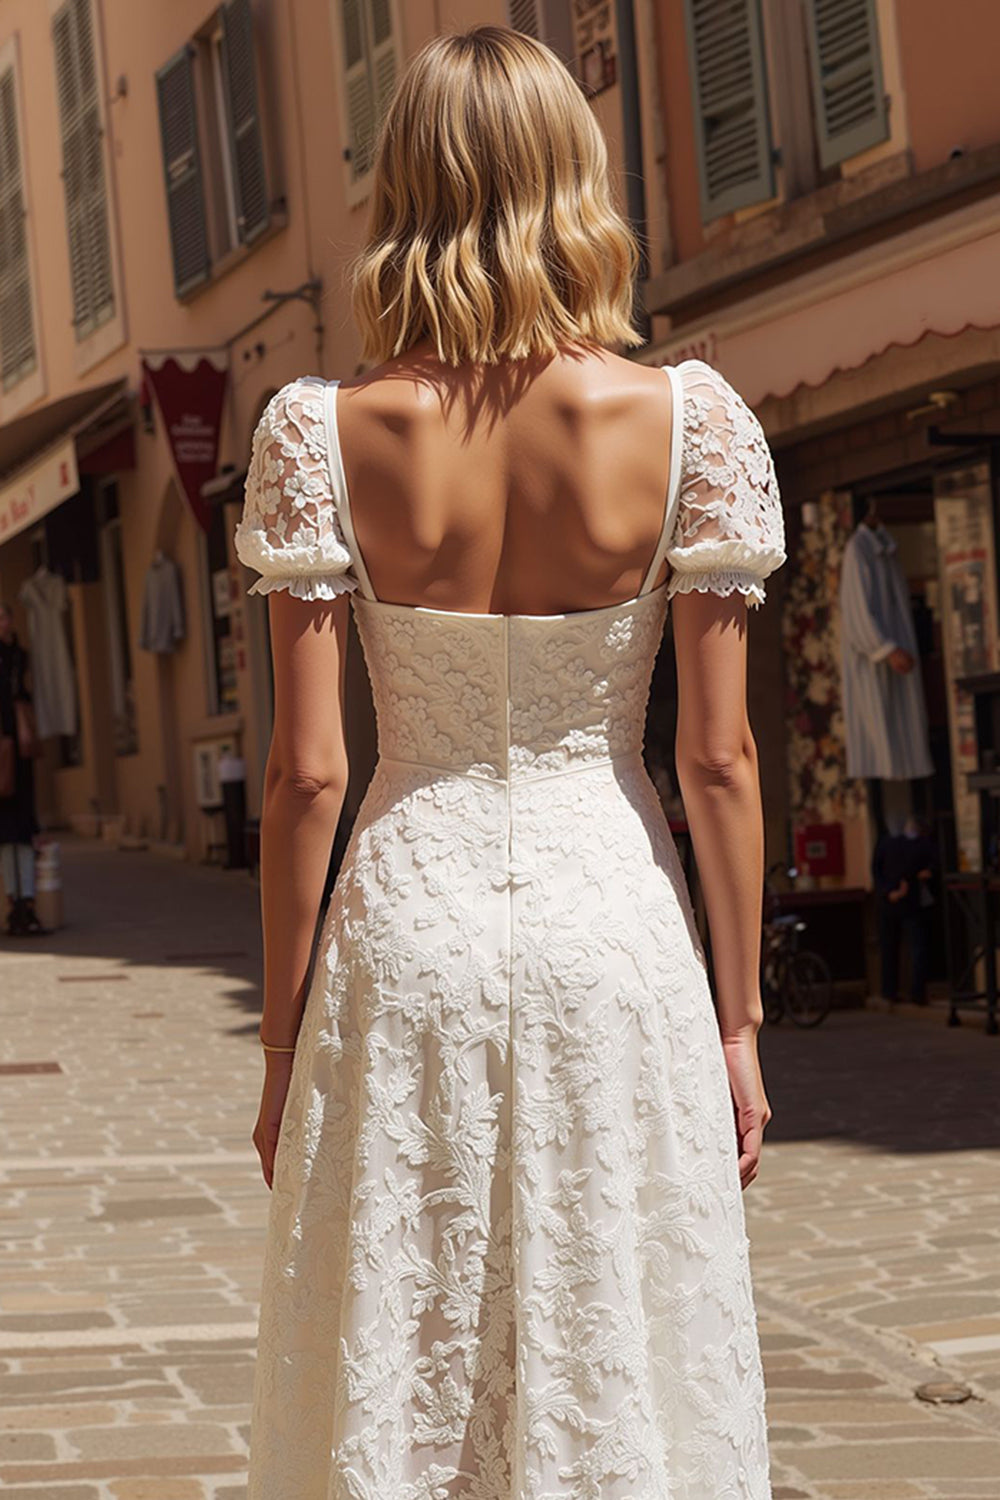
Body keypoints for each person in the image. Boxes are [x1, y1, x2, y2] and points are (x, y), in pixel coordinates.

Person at [234, 26, 785, 1500]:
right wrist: (738, 1024)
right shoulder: (691, 424)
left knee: (406, 1350)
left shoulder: (320, 434)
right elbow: (719, 758)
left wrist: (282, 1047)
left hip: (408, 927)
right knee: (615, 1327)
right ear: (576, 180)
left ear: (404, 189)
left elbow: (304, 776)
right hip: (612, 923)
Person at [0, 601, 42, 936]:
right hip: (2, 752)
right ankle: (13, 901)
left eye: (3, 616)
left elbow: (23, 695)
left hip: (20, 750)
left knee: (23, 830)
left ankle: (27, 902)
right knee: (5, 834)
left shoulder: (20, 656)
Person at [872, 813, 937, 1004]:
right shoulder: (918, 844)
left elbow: (876, 870)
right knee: (916, 947)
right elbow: (933, 860)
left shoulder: (886, 843)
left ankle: (890, 990)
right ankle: (916, 992)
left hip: (893, 900)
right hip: (910, 900)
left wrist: (886, 892)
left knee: (891, 947)